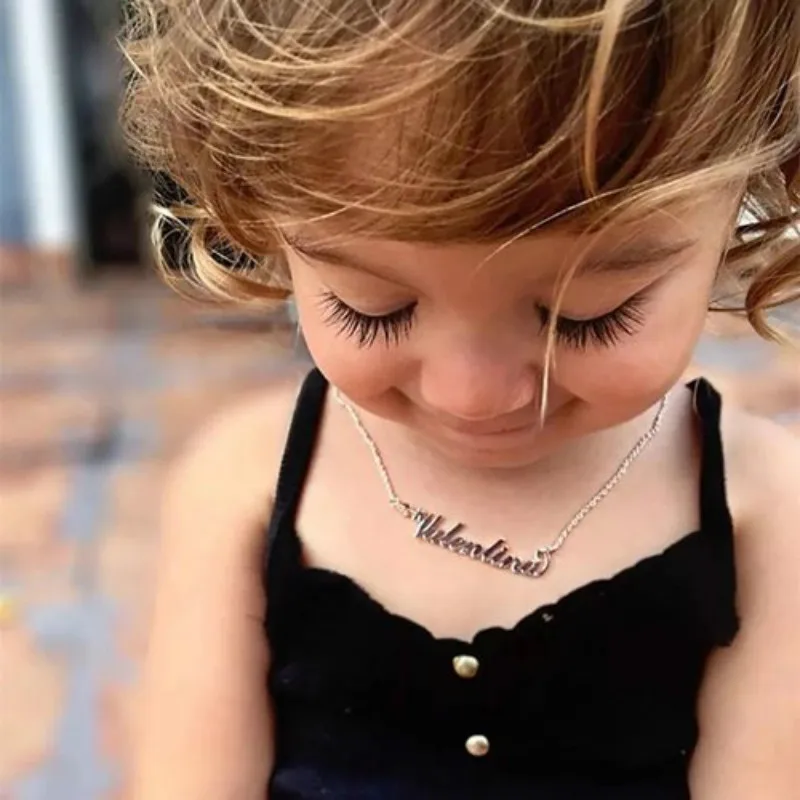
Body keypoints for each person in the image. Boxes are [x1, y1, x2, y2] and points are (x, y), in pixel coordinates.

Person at [121, 1, 800, 797]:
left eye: (586, 317)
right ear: (261, 218)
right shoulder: (247, 485)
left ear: (762, 179)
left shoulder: (766, 512)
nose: (472, 396)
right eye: (372, 308)